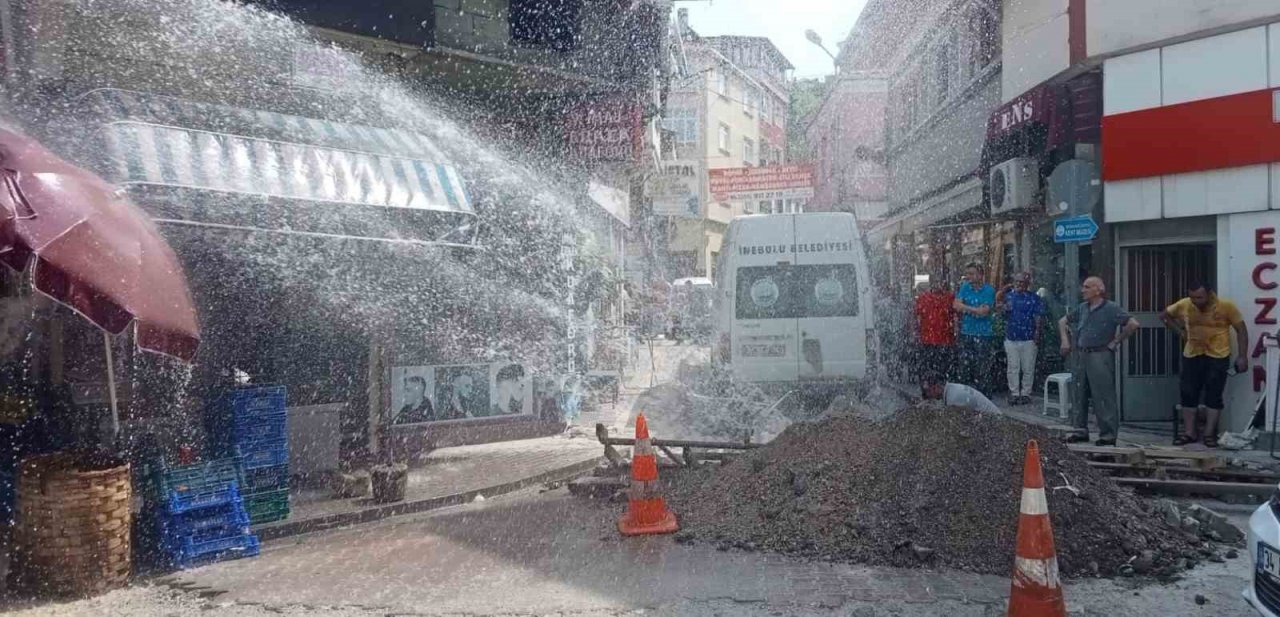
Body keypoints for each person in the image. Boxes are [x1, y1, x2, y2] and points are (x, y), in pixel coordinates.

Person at [1159, 283, 1249, 448]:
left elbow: (1241, 330)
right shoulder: (1185, 304)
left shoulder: (1226, 306)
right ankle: (1189, 433)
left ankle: (1209, 434)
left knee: (1214, 395)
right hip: (1192, 354)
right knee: (1188, 393)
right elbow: (1164, 316)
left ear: (1209, 294)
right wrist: (1180, 332)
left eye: (1199, 297)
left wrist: (1242, 356)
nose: (1195, 301)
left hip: (1218, 355)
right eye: (1192, 297)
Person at [1058, 276, 1140, 446]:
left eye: (1087, 287)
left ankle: (1108, 435)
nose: (1083, 290)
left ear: (1098, 290)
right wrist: (1065, 340)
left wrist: (1116, 341)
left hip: (1100, 354)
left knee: (1103, 395)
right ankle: (1080, 430)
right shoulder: (1083, 308)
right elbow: (1063, 321)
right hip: (1081, 353)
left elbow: (1133, 324)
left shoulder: (1111, 308)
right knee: (1079, 393)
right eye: (1084, 286)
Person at [996, 271, 1046, 405]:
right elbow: (998, 306)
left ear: (1027, 283)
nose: (1019, 284)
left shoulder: (1034, 298)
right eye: (1017, 281)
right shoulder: (1009, 296)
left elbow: (1038, 316)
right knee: (1013, 367)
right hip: (1011, 337)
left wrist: (1037, 333)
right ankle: (1014, 393)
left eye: (1022, 282)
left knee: (1028, 367)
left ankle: (1026, 393)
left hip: (1028, 337)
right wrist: (1004, 292)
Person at [952, 263, 997, 395]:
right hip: (966, 332)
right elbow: (956, 305)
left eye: (972, 274)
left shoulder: (989, 290)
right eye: (967, 274)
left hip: (983, 334)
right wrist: (975, 309)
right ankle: (964, 395)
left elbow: (984, 312)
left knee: (982, 367)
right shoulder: (965, 287)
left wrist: (965, 307)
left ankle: (983, 395)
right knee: (964, 366)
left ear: (980, 275)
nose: (968, 277)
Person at [913, 278, 955, 381]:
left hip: (940, 338)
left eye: (939, 282)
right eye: (935, 283)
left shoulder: (949, 298)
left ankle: (933, 384)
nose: (937, 286)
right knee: (934, 365)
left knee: (937, 366)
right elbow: (916, 317)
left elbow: (916, 317)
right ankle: (932, 384)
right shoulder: (925, 298)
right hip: (932, 338)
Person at [920, 371, 1002, 415]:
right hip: (992, 418)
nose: (927, 395)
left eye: (928, 391)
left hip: (996, 422)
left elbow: (964, 420)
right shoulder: (951, 389)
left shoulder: (953, 398)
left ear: (936, 387)